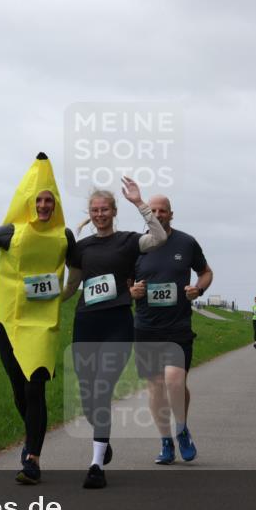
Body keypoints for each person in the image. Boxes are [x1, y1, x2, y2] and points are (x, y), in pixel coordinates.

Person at [0, 153, 74, 485]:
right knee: (19, 391)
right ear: (28, 201)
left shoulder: (64, 236)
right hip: (8, 323)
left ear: (55, 203)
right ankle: (31, 438)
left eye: (48, 200)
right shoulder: (11, 232)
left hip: (42, 324)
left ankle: (33, 459)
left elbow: (85, 263)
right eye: (37, 199)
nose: (43, 205)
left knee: (34, 387)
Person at [62, 178, 167, 488]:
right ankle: (103, 442)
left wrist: (140, 203)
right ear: (90, 213)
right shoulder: (82, 248)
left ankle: (95, 465)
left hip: (117, 324)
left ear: (113, 211)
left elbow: (159, 237)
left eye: (104, 209)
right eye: (95, 210)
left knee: (103, 389)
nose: (99, 214)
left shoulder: (127, 241)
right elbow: (72, 285)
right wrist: (46, 302)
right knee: (87, 394)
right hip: (86, 322)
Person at [128, 195, 212, 465]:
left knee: (176, 382)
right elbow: (125, 282)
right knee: (155, 386)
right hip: (146, 325)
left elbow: (206, 272)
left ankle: (182, 429)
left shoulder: (186, 243)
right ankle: (166, 441)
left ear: (170, 214)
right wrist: (132, 290)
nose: (157, 214)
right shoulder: (138, 246)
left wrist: (197, 289)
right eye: (152, 210)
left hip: (177, 325)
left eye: (162, 210)